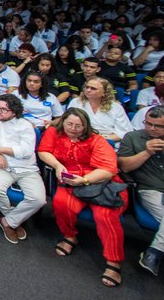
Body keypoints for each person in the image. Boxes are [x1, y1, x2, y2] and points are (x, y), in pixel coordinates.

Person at [38, 108, 128, 287]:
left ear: (85, 126)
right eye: (69, 124)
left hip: (100, 182)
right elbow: (43, 151)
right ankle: (70, 236)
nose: (73, 128)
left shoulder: (97, 140)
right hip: (70, 179)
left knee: (106, 216)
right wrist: (57, 165)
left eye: (78, 126)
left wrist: (85, 179)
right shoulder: (54, 133)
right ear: (63, 122)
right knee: (61, 204)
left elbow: (109, 169)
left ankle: (113, 262)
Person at [0, 94, 46, 244]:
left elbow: (25, 151)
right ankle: (14, 219)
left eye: (3, 109)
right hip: (2, 166)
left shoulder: (25, 125)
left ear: (14, 111)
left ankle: (8, 221)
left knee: (38, 199)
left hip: (26, 168)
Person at [117, 105, 164, 276]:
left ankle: (155, 252)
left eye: (158, 126)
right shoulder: (133, 138)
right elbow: (125, 167)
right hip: (149, 188)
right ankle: (155, 252)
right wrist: (147, 152)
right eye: (148, 123)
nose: (152, 129)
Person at [66, 77, 133, 142]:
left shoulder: (116, 107)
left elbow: (124, 132)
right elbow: (66, 125)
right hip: (78, 139)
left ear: (104, 92)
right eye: (87, 87)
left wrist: (99, 139)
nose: (88, 90)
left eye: (93, 88)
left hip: (106, 141)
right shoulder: (75, 102)